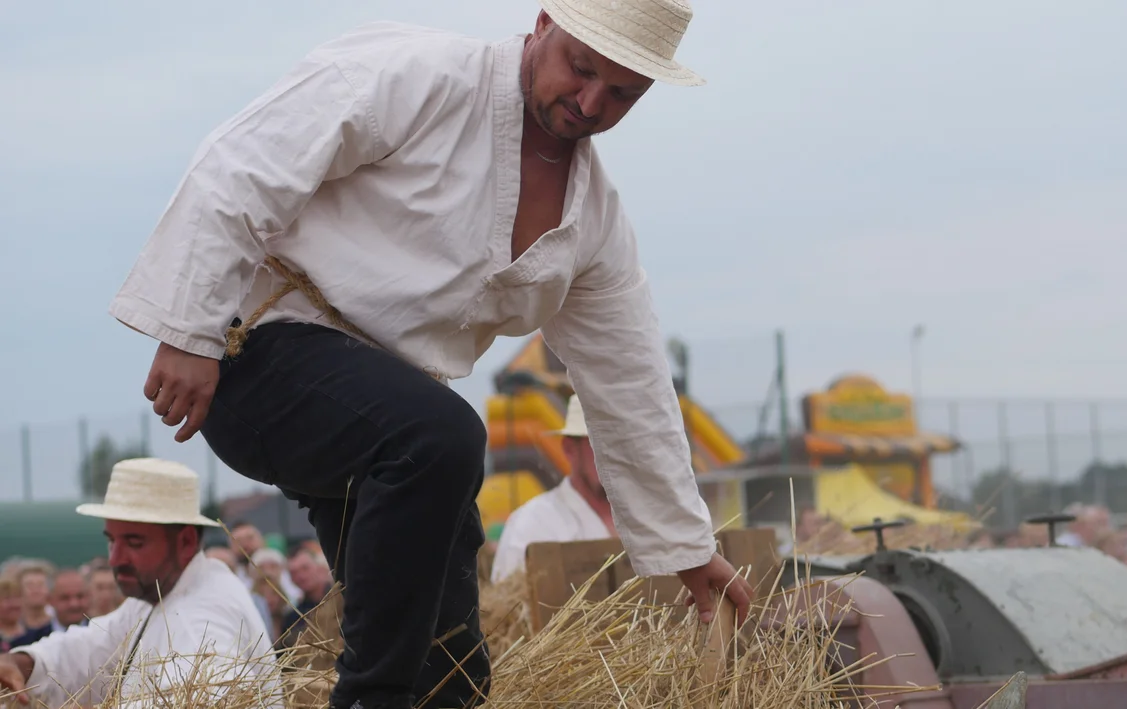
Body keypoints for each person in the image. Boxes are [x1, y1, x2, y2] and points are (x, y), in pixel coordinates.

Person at [105, 2, 752, 708]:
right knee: (442, 436)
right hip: (256, 345)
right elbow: (247, 164)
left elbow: (631, 383)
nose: (592, 101)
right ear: (542, 27)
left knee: (451, 668)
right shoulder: (420, 75)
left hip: (382, 425)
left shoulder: (592, 222)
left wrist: (688, 548)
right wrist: (190, 328)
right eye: (582, 67)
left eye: (623, 92)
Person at [0, 459, 277, 708]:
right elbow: (93, 648)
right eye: (112, 540)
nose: (116, 558)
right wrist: (21, 664)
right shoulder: (159, 593)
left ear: (186, 541)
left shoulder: (202, 626)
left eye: (134, 542)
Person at [491, 396, 617, 583]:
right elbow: (509, 607)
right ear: (570, 449)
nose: (614, 455)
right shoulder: (532, 526)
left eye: (622, 444)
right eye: (600, 444)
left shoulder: (649, 518)